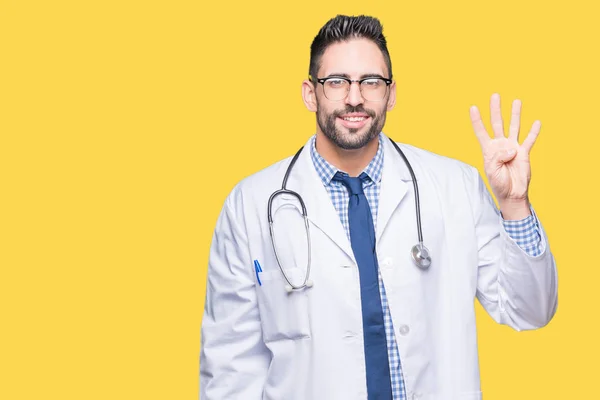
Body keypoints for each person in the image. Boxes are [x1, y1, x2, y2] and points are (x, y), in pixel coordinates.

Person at [199, 14, 558, 400]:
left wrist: (515, 204)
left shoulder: (456, 186)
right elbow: (230, 368)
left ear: (391, 93)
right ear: (309, 93)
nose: (355, 97)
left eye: (371, 82)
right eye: (336, 82)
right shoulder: (250, 204)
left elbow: (530, 311)